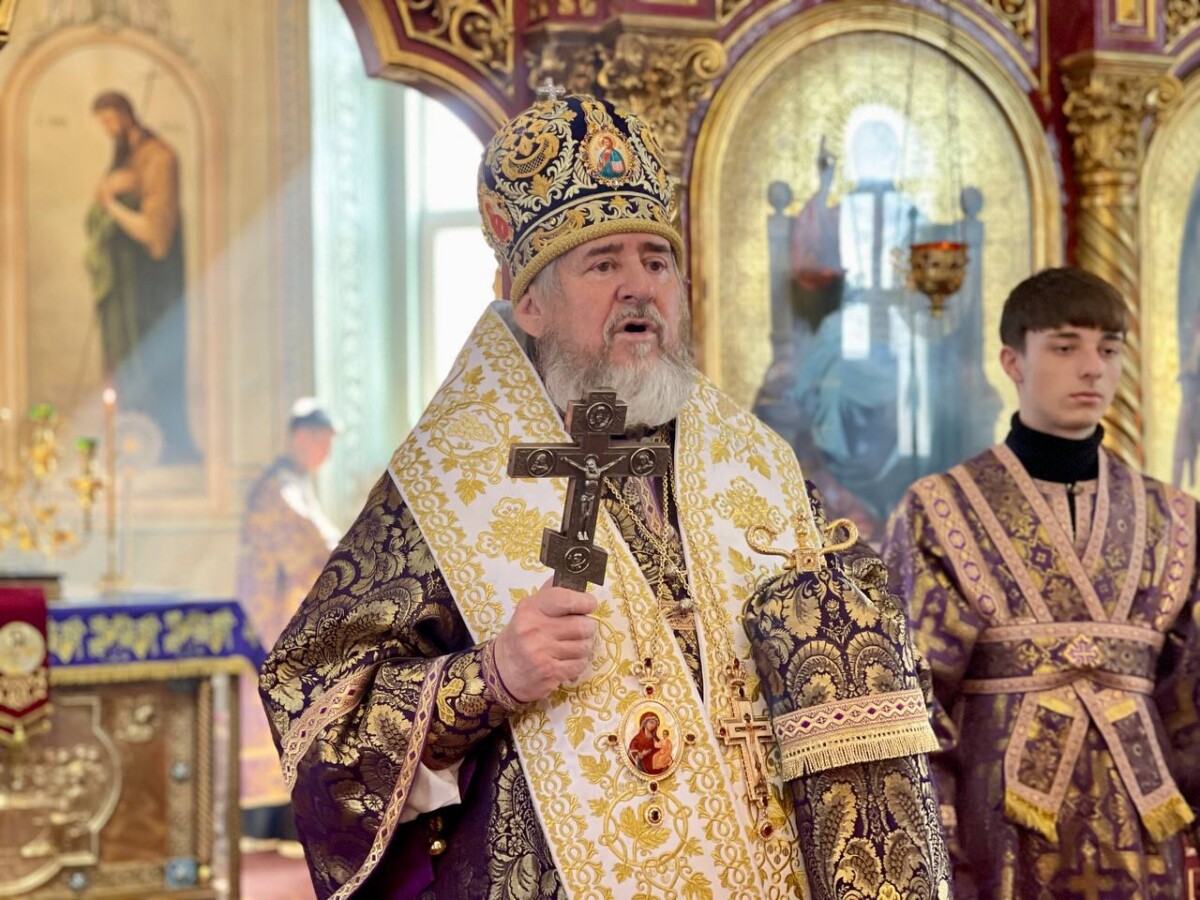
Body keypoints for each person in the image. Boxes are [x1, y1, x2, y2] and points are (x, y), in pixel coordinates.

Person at [260, 89, 950, 899]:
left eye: (655, 261)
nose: (638, 287)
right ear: (530, 304)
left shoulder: (755, 464)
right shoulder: (448, 482)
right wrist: (490, 677)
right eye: (603, 263)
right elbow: (319, 718)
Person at [883, 267, 1200, 897]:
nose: (1092, 368)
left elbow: (1190, 700)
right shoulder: (940, 508)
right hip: (997, 825)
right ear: (1013, 361)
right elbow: (913, 700)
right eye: (1064, 347)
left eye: (1109, 349)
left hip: (1144, 834)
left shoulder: (1174, 517)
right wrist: (938, 850)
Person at [237, 399, 340, 844]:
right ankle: (271, 821)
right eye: (321, 442)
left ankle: (289, 815)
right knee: (273, 713)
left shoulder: (294, 483)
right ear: (300, 438)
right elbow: (311, 552)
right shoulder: (277, 490)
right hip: (270, 619)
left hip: (286, 617)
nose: (326, 453)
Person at [87, 91, 199, 464]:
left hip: (152, 290)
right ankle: (129, 442)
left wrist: (112, 204)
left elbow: (155, 236)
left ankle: (162, 443)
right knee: (125, 367)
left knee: (152, 363)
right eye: (102, 124)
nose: (108, 130)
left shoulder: (159, 157)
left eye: (110, 121)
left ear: (125, 115)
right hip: (126, 291)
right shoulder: (128, 158)